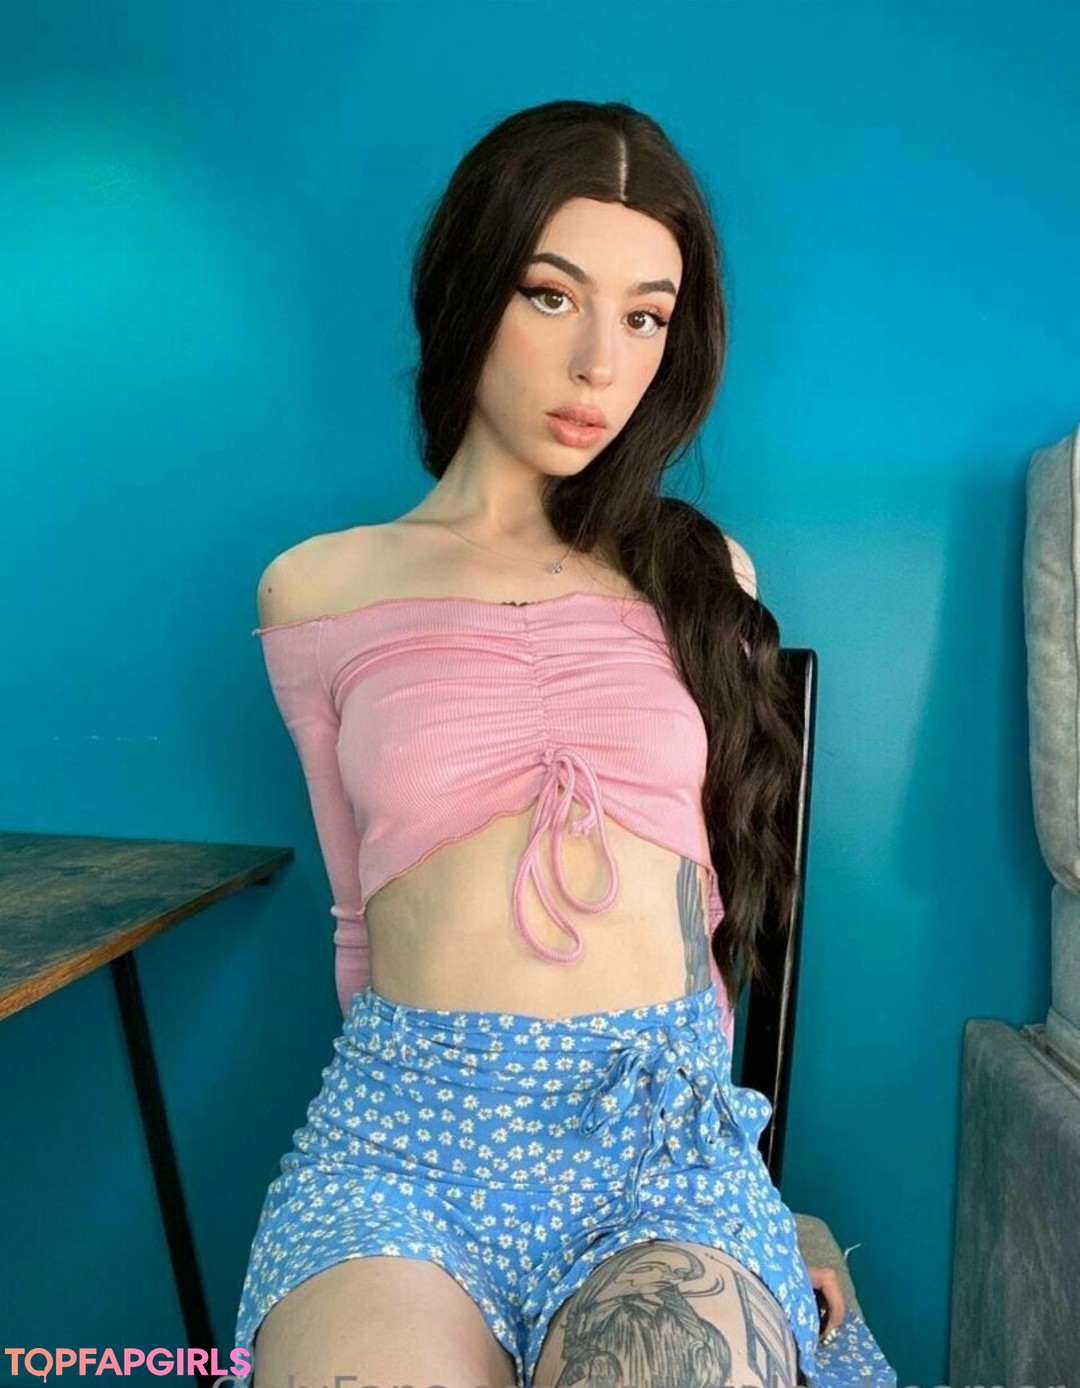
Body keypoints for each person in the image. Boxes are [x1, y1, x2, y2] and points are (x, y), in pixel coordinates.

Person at [232, 99, 896, 1388]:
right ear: (468, 289)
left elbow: (705, 911)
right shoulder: (313, 591)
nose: (600, 363)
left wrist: (762, 1200)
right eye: (552, 296)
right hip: (406, 1147)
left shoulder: (700, 575)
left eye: (645, 317)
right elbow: (360, 921)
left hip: (662, 1152)